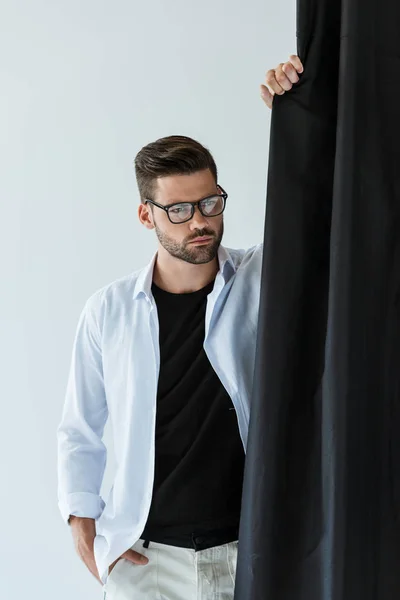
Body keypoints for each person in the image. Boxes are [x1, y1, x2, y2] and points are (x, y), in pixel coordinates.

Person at [57, 54, 304, 600]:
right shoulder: (109, 311)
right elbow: (80, 429)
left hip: (252, 551)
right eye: (180, 209)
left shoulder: (264, 278)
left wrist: (301, 113)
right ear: (146, 214)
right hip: (147, 563)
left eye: (211, 203)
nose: (200, 222)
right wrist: (82, 523)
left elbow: (320, 209)